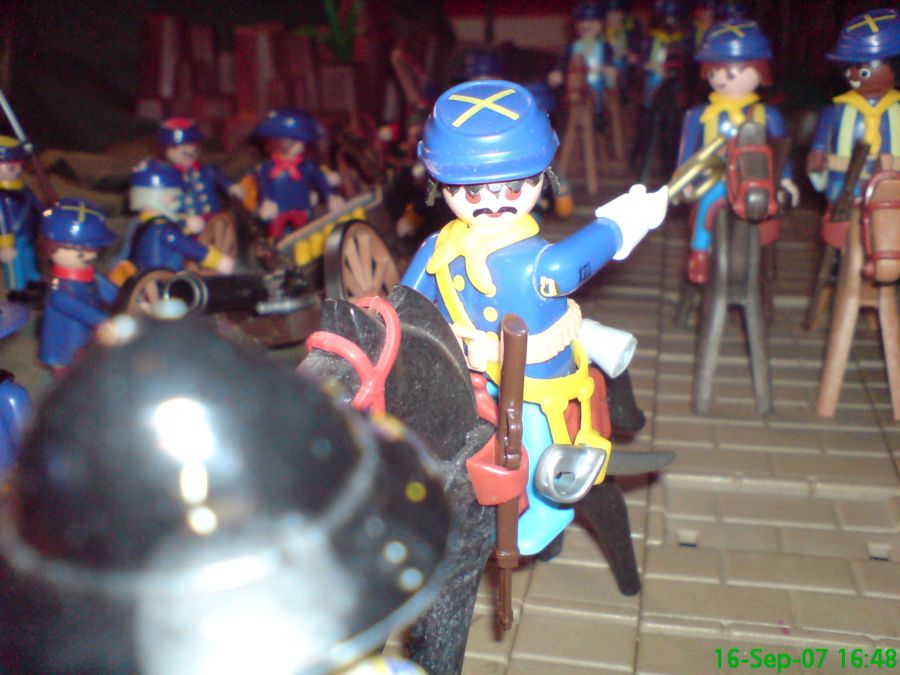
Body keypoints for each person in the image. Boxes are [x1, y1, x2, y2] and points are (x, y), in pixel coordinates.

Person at [401, 79, 667, 556]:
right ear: (442, 187)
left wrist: (622, 224)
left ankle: (547, 509)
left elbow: (571, 265)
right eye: (472, 190)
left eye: (513, 185)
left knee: (534, 435)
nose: (494, 201)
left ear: (544, 176)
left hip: (530, 374)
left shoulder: (538, 261)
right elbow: (408, 302)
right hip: (457, 366)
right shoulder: (437, 247)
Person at [676, 18, 798, 283]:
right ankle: (699, 251)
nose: (721, 79)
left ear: (760, 71)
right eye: (714, 72)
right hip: (716, 180)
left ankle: (754, 262)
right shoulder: (699, 115)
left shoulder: (768, 115)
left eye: (731, 73)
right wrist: (684, 181)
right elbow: (686, 155)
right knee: (709, 201)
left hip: (757, 182)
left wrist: (786, 180)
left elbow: (780, 154)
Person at [39, 198, 119, 380]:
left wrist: (136, 300)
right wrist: (104, 320)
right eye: (81, 252)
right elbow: (74, 306)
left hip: (86, 341)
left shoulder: (91, 277)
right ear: (51, 249)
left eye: (93, 249)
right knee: (70, 382)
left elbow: (114, 292)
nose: (89, 256)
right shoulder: (58, 289)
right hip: (66, 348)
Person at [251, 109, 345, 241]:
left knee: (304, 235)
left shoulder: (308, 166)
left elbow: (320, 180)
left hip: (302, 207)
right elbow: (265, 186)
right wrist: (267, 201)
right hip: (278, 210)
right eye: (291, 142)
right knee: (275, 235)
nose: (298, 146)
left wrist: (330, 195)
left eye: (299, 142)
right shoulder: (266, 168)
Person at [129, 159, 235, 274]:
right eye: (175, 198)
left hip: (145, 274)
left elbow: (171, 223)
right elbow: (190, 248)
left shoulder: (141, 225)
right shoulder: (166, 232)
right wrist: (218, 261)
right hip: (166, 277)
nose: (179, 204)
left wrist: (186, 224)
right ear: (156, 198)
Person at [157, 117, 244, 220]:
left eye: (190, 144)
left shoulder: (208, 171)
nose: (186, 150)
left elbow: (223, 179)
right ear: (166, 151)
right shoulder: (167, 176)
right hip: (186, 219)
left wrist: (231, 186)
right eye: (175, 148)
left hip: (214, 217)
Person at [0, 136, 43, 301]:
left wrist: (45, 219)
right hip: (10, 236)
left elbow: (35, 204)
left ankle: (33, 278)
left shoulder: (22, 188)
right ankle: (17, 288)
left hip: (27, 232)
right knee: (14, 262)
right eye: (12, 167)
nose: (17, 171)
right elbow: (2, 220)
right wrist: (5, 244)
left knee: (29, 256)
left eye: (19, 166)